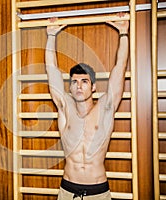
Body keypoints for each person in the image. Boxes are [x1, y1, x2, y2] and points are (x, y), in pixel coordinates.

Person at [45, 14, 129, 200]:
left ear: (93, 87)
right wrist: (51, 37)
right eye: (74, 82)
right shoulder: (65, 109)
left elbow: (120, 67)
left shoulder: (105, 108)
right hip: (67, 189)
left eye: (84, 81)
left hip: (98, 192)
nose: (78, 86)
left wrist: (123, 33)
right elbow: (52, 70)